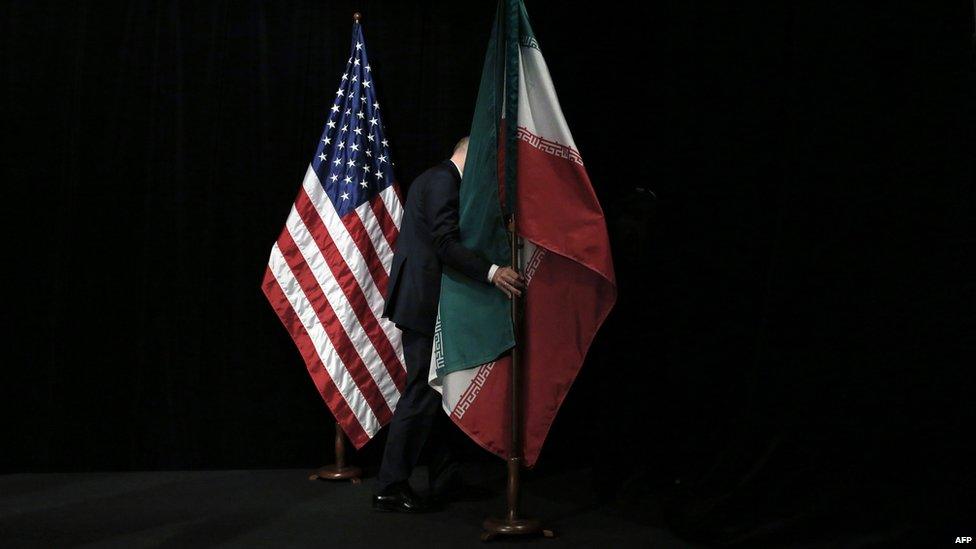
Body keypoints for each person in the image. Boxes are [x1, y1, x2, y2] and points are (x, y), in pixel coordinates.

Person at [373, 136, 523, 513]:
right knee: (422, 392)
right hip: (423, 304)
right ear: (468, 156)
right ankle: (390, 485)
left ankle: (445, 476)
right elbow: (445, 243)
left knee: (436, 393)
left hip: (426, 301)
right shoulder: (443, 181)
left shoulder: (437, 179)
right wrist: (492, 272)